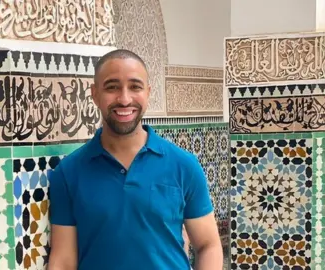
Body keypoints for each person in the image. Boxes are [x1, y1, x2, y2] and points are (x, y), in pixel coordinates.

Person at [47, 49, 223, 270]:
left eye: (135, 87)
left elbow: (208, 245)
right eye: (112, 87)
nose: (124, 99)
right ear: (94, 94)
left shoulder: (184, 166)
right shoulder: (69, 172)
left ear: (148, 93)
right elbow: (63, 260)